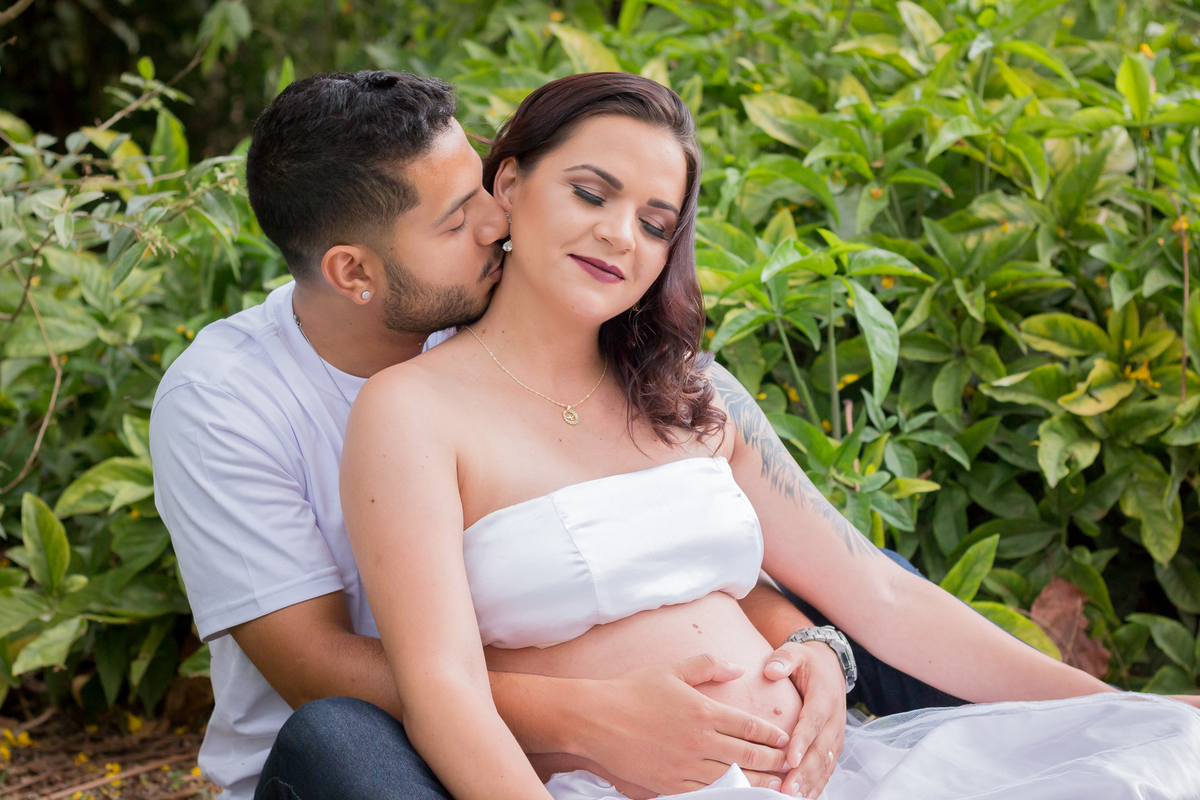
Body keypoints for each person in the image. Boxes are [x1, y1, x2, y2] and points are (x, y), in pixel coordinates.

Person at [339, 72, 1200, 800]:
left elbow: (879, 598)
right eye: (591, 193)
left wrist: (1107, 704)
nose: (617, 235)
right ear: (512, 185)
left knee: (1164, 759)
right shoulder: (412, 411)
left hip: (830, 775)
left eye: (654, 221)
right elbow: (443, 692)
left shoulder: (695, 393)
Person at [151, 70, 948, 800]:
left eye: (482, 188)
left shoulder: (499, 322)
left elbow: (665, 558)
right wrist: (589, 716)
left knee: (863, 579)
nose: (500, 218)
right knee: (338, 741)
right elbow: (314, 666)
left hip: (574, 710)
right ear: (354, 273)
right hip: (387, 752)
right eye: (461, 219)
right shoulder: (226, 402)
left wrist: (811, 644)